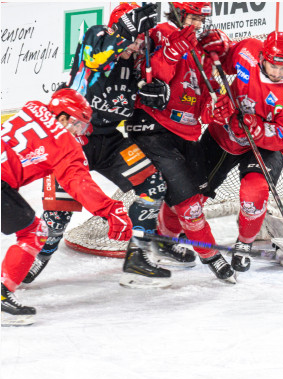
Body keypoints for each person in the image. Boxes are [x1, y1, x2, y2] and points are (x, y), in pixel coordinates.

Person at [22, 3, 189, 286]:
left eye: (140, 42)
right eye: (135, 39)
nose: (138, 47)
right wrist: (125, 32)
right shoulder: (97, 38)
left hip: (110, 141)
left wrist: (155, 94)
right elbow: (98, 54)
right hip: (72, 142)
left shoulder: (133, 61)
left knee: (153, 184)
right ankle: (36, 255)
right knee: (58, 215)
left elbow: (137, 94)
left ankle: (137, 254)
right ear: (122, 28)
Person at [124, 2, 235, 287]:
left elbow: (203, 99)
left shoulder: (201, 47)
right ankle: (211, 255)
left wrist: (216, 109)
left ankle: (165, 241)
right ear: (177, 12)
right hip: (153, 127)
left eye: (201, 19)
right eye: (193, 17)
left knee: (195, 195)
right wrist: (172, 52)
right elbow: (148, 80)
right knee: (187, 202)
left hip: (186, 131)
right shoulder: (160, 32)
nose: (197, 24)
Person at [1, 89, 133, 326]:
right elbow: (78, 183)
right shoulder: (64, 145)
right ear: (63, 117)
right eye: (77, 125)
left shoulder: (32, 107)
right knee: (35, 232)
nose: (78, 133)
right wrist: (110, 210)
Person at [194, 30, 283, 273]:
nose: (278, 73)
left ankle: (244, 243)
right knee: (193, 192)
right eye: (272, 66)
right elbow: (224, 60)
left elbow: (282, 136)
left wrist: (257, 129)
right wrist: (219, 45)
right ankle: (175, 238)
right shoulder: (248, 50)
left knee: (254, 193)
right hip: (225, 134)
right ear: (262, 57)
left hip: (265, 146)